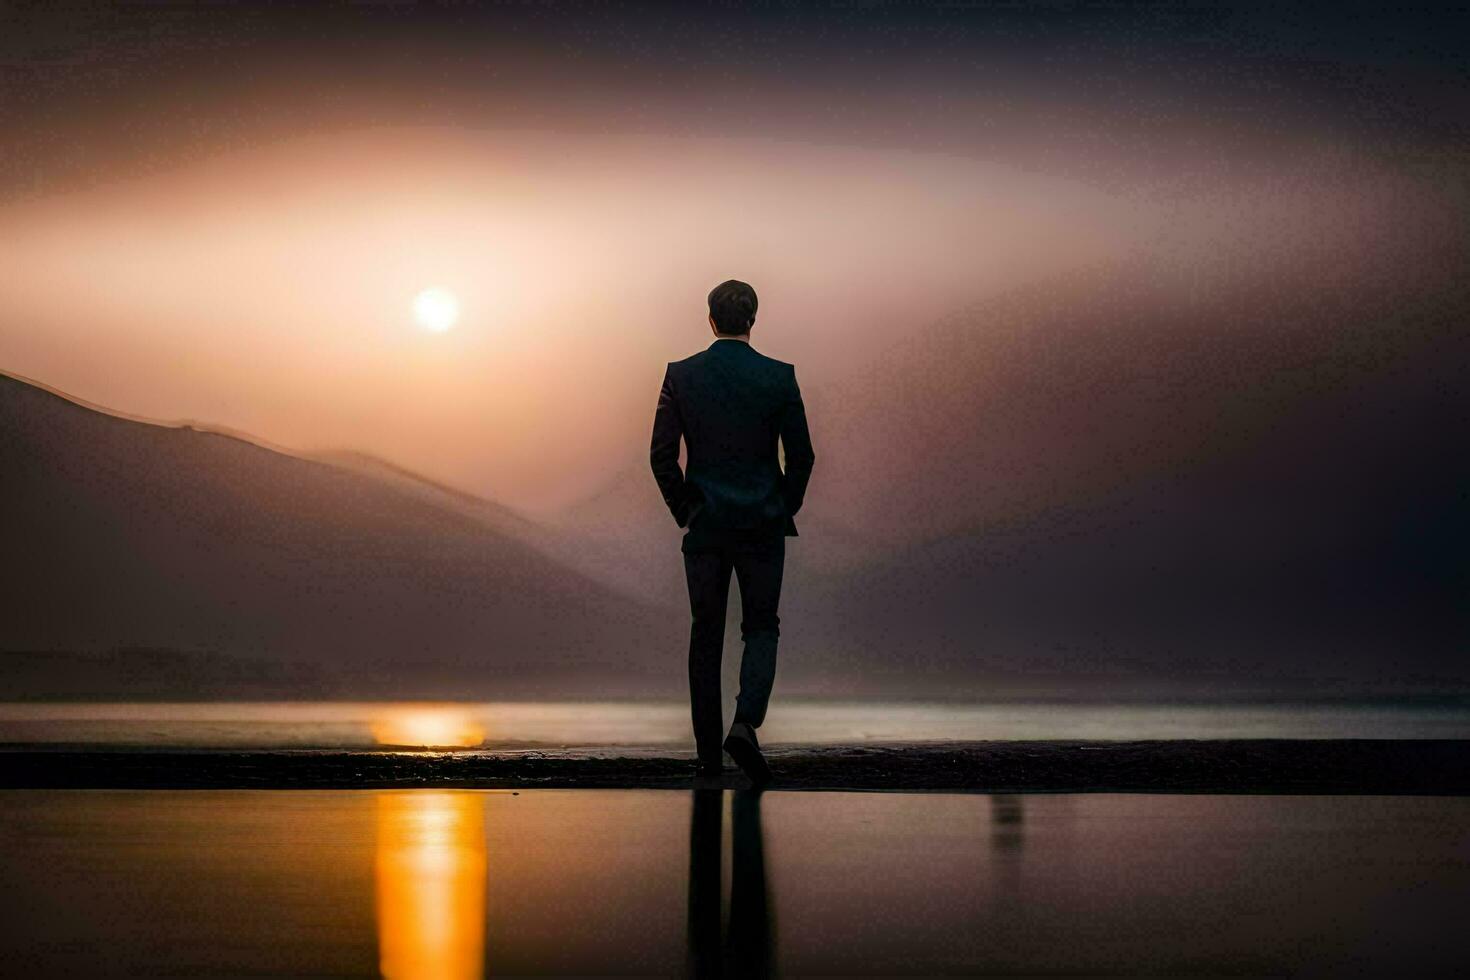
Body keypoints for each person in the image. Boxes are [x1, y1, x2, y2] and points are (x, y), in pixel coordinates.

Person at [650, 279, 816, 785]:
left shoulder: (681, 375)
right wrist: (780, 505)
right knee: (761, 627)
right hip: (762, 524)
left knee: (706, 635)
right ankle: (745, 723)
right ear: (753, 320)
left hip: (706, 526)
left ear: (710, 319)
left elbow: (661, 457)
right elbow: (803, 456)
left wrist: (686, 510)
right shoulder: (779, 377)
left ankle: (706, 755)